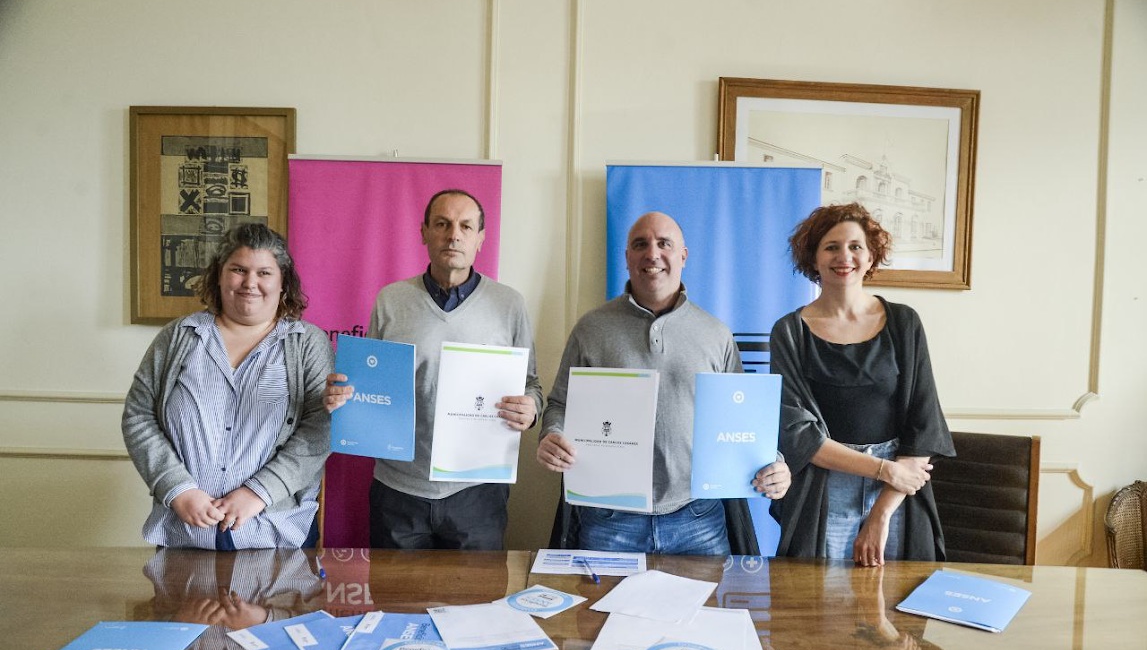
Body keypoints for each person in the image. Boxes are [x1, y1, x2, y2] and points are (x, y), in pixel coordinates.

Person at [537, 211, 791, 555]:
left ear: (683, 256)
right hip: (609, 519)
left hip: (698, 519)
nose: (652, 253)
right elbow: (560, 404)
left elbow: (740, 420)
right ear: (627, 257)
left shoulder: (716, 334)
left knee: (708, 595)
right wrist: (551, 434)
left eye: (664, 244)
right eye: (640, 244)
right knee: (602, 596)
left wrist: (773, 462)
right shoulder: (591, 329)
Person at [323, 189, 543, 550]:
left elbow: (531, 385)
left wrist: (531, 410)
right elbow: (371, 383)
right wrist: (345, 394)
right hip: (398, 489)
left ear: (480, 239)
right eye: (442, 224)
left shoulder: (509, 304)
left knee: (474, 589)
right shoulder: (391, 300)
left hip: (477, 490)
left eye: (465, 226)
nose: (453, 235)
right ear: (424, 232)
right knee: (396, 588)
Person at [122, 223, 333, 550]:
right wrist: (178, 489)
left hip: (275, 535)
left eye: (264, 273)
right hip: (185, 533)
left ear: (283, 283)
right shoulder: (179, 336)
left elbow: (321, 427)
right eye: (238, 270)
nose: (250, 282)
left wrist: (259, 492)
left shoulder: (307, 344)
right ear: (219, 276)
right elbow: (138, 416)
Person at [768, 202, 954, 566]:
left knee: (896, 598)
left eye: (855, 246)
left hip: (897, 493)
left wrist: (882, 510)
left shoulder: (905, 323)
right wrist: (884, 469)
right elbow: (799, 436)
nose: (844, 256)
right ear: (814, 258)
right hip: (825, 487)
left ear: (871, 256)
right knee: (820, 598)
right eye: (831, 247)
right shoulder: (789, 332)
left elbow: (925, 425)